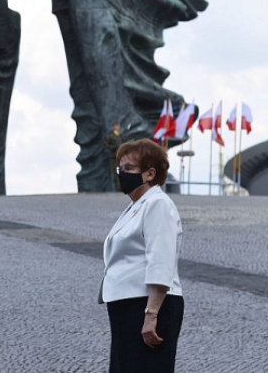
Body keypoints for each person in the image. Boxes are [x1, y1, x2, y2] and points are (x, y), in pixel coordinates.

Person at [99, 139, 183, 373]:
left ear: (149, 174)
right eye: (120, 168)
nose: (121, 174)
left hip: (148, 305)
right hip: (129, 306)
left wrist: (151, 314)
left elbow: (161, 262)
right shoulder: (138, 205)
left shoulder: (157, 204)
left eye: (128, 169)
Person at [104, 122, 123, 192]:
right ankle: (118, 189)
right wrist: (113, 147)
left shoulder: (121, 135)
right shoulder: (111, 136)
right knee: (116, 174)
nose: (117, 127)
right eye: (116, 126)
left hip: (122, 158)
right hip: (114, 158)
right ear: (114, 127)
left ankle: (123, 188)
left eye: (118, 126)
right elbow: (106, 145)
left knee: (122, 173)